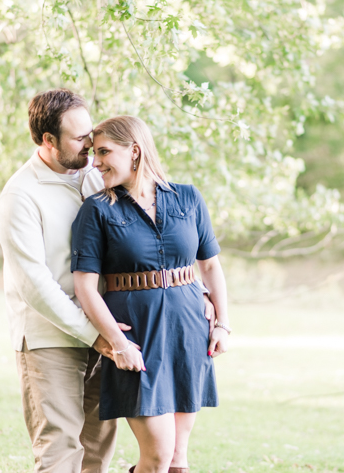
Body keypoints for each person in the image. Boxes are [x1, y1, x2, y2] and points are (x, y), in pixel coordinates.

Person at [71, 115, 232, 473]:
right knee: (157, 456)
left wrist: (222, 324)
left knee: (177, 458)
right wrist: (118, 343)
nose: (95, 162)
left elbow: (210, 266)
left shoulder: (188, 198)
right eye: (94, 153)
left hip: (188, 334)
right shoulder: (96, 210)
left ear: (135, 151)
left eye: (103, 152)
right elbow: (85, 286)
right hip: (137, 339)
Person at [0, 89, 118, 473]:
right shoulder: (20, 195)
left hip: (106, 332)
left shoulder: (98, 176)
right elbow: (35, 284)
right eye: (79, 138)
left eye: (90, 133)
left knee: (97, 452)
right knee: (60, 452)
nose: (91, 144)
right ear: (48, 140)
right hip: (51, 339)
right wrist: (94, 334)